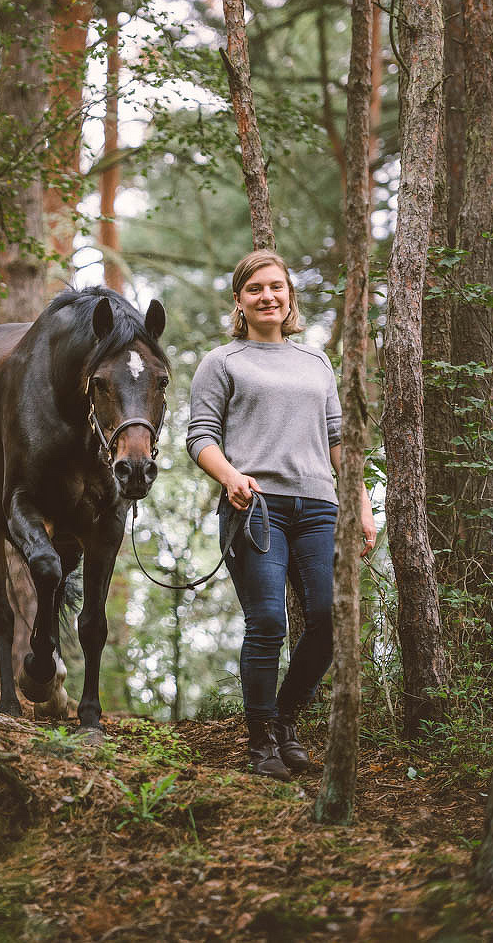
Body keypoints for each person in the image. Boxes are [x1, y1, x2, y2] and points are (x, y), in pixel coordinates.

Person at [186, 249, 377, 780]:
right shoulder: (222, 362)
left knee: (330, 618)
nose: (267, 296)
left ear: (289, 294)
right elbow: (199, 437)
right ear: (239, 302)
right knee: (268, 620)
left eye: (276, 287)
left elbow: (340, 441)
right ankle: (261, 739)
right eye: (255, 290)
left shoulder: (316, 361)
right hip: (257, 509)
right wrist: (231, 478)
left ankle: (287, 719)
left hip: (320, 508)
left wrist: (361, 505)